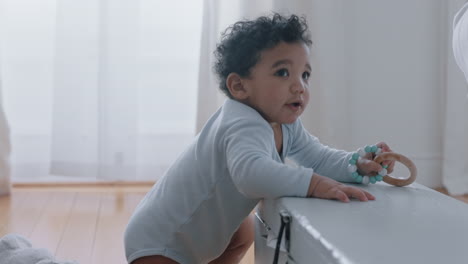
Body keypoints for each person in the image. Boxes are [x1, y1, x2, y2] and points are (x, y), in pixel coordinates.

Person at [124, 13, 395, 264]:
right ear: (239, 86)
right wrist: (313, 184)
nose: (299, 85)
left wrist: (356, 165)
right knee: (241, 230)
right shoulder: (241, 122)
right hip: (163, 242)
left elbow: (318, 156)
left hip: (197, 234)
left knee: (242, 233)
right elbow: (251, 175)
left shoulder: (284, 124)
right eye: (282, 73)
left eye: (305, 74)